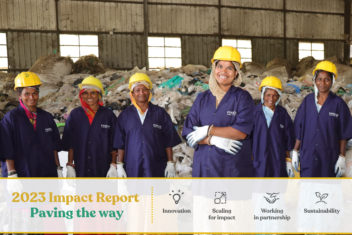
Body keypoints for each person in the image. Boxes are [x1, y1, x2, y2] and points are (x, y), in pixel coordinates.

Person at [182, 46, 255, 177]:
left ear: (236, 72)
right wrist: (212, 140)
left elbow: (241, 132)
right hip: (204, 168)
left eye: (230, 68)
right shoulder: (202, 98)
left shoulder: (243, 98)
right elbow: (189, 134)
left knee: (229, 198)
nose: (224, 71)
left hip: (232, 169)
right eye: (220, 66)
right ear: (214, 69)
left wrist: (207, 130)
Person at [113, 73, 182, 177]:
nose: (141, 93)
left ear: (149, 91)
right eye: (137, 90)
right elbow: (120, 143)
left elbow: (168, 141)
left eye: (145, 89)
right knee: (136, 193)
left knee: (156, 193)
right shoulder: (125, 115)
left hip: (156, 167)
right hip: (133, 167)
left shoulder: (160, 113)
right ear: (132, 93)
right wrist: (120, 165)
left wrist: (170, 163)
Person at [0, 72, 62, 185]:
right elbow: (7, 147)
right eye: (26, 94)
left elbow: (54, 146)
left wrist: (58, 168)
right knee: (25, 203)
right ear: (19, 95)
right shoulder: (11, 118)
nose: (31, 98)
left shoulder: (46, 117)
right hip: (22, 175)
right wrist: (11, 173)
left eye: (34, 93)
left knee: (49, 202)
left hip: (47, 174)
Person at [293, 61, 352, 177]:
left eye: (327, 79)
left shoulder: (339, 104)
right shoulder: (307, 102)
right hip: (308, 157)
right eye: (319, 79)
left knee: (327, 192)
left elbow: (343, 134)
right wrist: (295, 151)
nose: (322, 83)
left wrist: (342, 157)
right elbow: (299, 129)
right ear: (315, 80)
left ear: (332, 82)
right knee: (308, 192)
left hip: (329, 160)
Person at [62, 76, 117, 177]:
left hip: (104, 168)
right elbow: (71, 142)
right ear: (81, 95)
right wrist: (70, 164)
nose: (89, 96)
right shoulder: (75, 114)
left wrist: (113, 165)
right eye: (85, 93)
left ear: (98, 94)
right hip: (82, 167)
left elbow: (114, 142)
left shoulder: (108, 115)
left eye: (93, 92)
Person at [251, 76, 295, 177]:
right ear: (263, 95)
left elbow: (288, 138)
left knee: (276, 190)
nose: (271, 99)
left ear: (279, 96)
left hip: (278, 161)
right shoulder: (254, 113)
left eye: (275, 96)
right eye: (268, 95)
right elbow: (248, 138)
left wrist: (288, 160)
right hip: (258, 160)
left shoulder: (282, 113)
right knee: (259, 189)